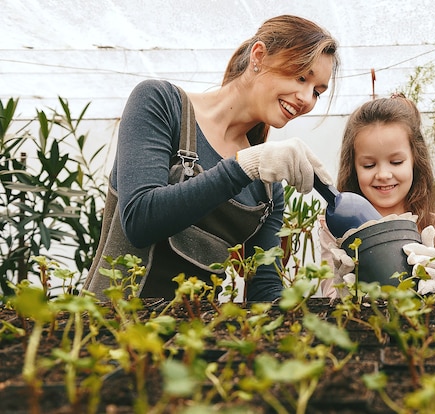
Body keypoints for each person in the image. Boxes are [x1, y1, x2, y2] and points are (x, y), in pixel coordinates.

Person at [83, 15, 339, 302]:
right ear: (259, 56)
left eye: (317, 91)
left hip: (195, 338)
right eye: (301, 76)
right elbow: (140, 220)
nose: (306, 98)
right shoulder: (162, 104)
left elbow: (264, 289)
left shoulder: (266, 186)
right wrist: (244, 166)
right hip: (108, 332)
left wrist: (343, 289)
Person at [319, 93, 435, 299]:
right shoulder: (335, 229)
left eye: (396, 162)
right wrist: (341, 294)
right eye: (369, 165)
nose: (383, 175)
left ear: (415, 160)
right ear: (353, 167)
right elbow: (330, 299)